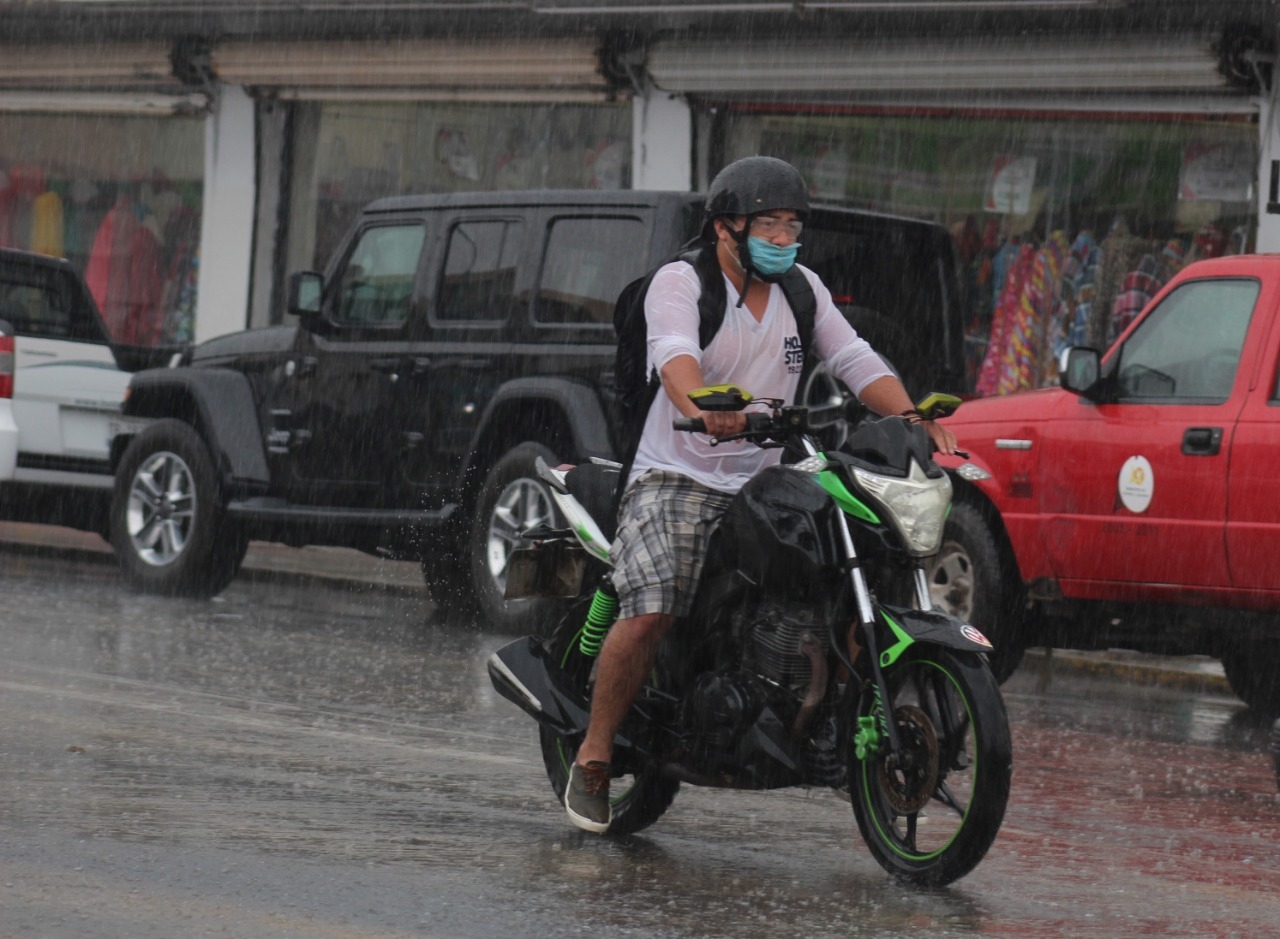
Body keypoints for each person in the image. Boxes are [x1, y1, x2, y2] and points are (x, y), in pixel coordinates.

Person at [565, 156, 957, 834]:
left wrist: (913, 417)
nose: (783, 238)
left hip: (766, 477)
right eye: (769, 225)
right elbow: (674, 355)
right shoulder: (681, 282)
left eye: (792, 225)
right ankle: (594, 754)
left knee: (847, 559)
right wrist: (704, 407)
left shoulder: (802, 290)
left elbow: (855, 357)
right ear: (727, 228)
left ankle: (823, 723)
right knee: (656, 601)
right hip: (677, 472)